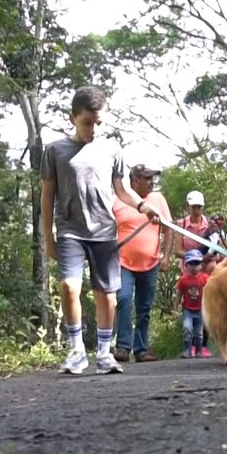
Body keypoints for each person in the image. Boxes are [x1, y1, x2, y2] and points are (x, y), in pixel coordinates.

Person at [41, 85, 159, 375]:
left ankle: (105, 353)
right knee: (69, 286)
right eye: (87, 123)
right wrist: (48, 238)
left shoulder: (111, 149)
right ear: (73, 118)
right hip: (70, 230)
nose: (93, 129)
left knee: (106, 294)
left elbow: (122, 190)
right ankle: (77, 350)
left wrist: (142, 206)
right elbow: (47, 196)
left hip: (104, 231)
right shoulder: (55, 150)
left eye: (99, 123)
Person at [113, 164, 173, 364]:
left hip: (150, 263)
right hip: (123, 262)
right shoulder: (119, 200)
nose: (151, 182)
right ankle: (123, 347)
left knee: (144, 307)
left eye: (152, 178)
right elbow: (107, 228)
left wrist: (166, 256)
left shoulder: (158, 199)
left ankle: (141, 349)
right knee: (123, 299)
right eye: (147, 178)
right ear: (134, 181)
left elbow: (169, 228)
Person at [173, 191, 216, 357]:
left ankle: (203, 345)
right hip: (189, 269)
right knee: (191, 303)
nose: (196, 210)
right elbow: (178, 251)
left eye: (199, 207)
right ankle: (188, 346)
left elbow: (216, 247)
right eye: (193, 207)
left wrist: (206, 258)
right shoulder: (181, 224)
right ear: (188, 207)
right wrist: (194, 258)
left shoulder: (210, 225)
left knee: (207, 305)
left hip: (207, 268)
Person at [175, 250, 210, 359]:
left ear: (201, 265)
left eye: (197, 263)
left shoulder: (205, 278)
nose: (194, 266)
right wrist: (175, 309)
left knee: (199, 333)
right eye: (191, 263)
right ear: (186, 265)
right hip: (188, 310)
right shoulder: (183, 280)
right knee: (187, 328)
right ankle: (187, 350)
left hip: (200, 310)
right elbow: (179, 294)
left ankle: (199, 351)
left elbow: (210, 293)